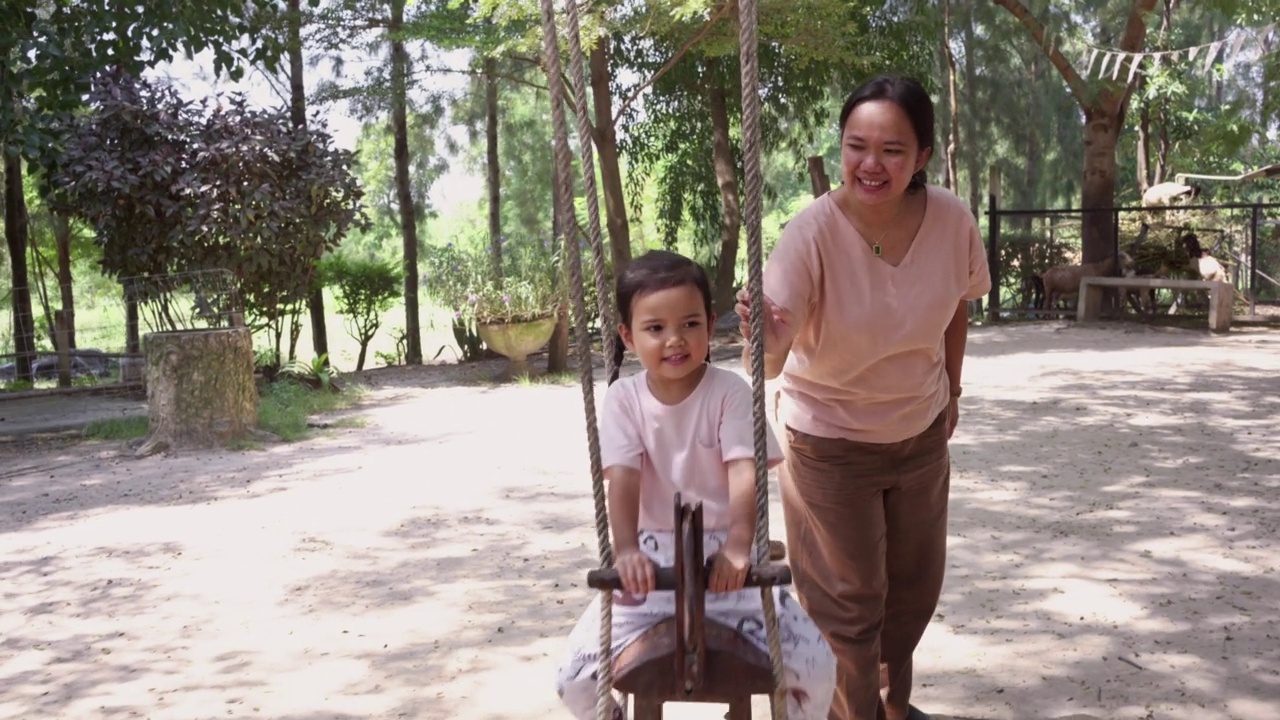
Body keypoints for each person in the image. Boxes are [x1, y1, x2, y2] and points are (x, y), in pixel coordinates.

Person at [734, 75, 992, 720]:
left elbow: (957, 306)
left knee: (910, 594)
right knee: (849, 604)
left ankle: (885, 707)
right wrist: (765, 334)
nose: (871, 164)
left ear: (923, 157)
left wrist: (953, 389)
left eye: (892, 150)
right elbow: (767, 363)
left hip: (919, 430)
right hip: (828, 441)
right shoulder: (811, 233)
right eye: (857, 146)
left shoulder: (952, 219)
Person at [556, 250, 836, 720]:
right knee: (574, 680)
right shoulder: (624, 400)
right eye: (655, 328)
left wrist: (739, 545)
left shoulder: (729, 392)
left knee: (817, 667)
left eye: (689, 324)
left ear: (709, 324)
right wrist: (625, 550)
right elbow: (622, 480)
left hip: (729, 566)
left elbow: (744, 471)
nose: (675, 340)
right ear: (627, 335)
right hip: (649, 565)